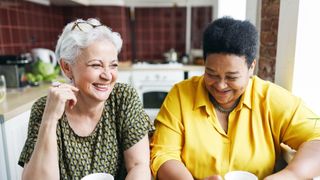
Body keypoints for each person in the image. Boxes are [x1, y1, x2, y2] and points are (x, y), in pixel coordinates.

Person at [150, 16, 320, 179]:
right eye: (211, 74)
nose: (221, 85)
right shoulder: (180, 95)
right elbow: (164, 154)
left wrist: (290, 176)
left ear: (251, 67)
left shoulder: (270, 98)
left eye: (231, 77)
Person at [19, 18, 153, 180]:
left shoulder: (123, 98)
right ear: (67, 67)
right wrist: (50, 119)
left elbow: (139, 166)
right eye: (96, 65)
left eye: (113, 65)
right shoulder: (45, 107)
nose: (107, 75)